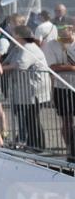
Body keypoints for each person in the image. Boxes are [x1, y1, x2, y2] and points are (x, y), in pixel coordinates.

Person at [2, 25, 51, 151]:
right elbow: (8, 62)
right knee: (28, 118)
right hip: (25, 91)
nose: (12, 36)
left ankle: (38, 146)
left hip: (35, 90)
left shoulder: (29, 48)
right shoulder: (18, 48)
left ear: (19, 35)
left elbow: (20, 65)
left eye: (13, 34)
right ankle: (31, 143)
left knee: (32, 117)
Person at [43, 25, 75, 161]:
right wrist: (72, 67)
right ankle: (70, 148)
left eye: (66, 36)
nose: (62, 38)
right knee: (67, 121)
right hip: (61, 88)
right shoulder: (52, 45)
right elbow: (52, 67)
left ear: (72, 31)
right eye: (60, 35)